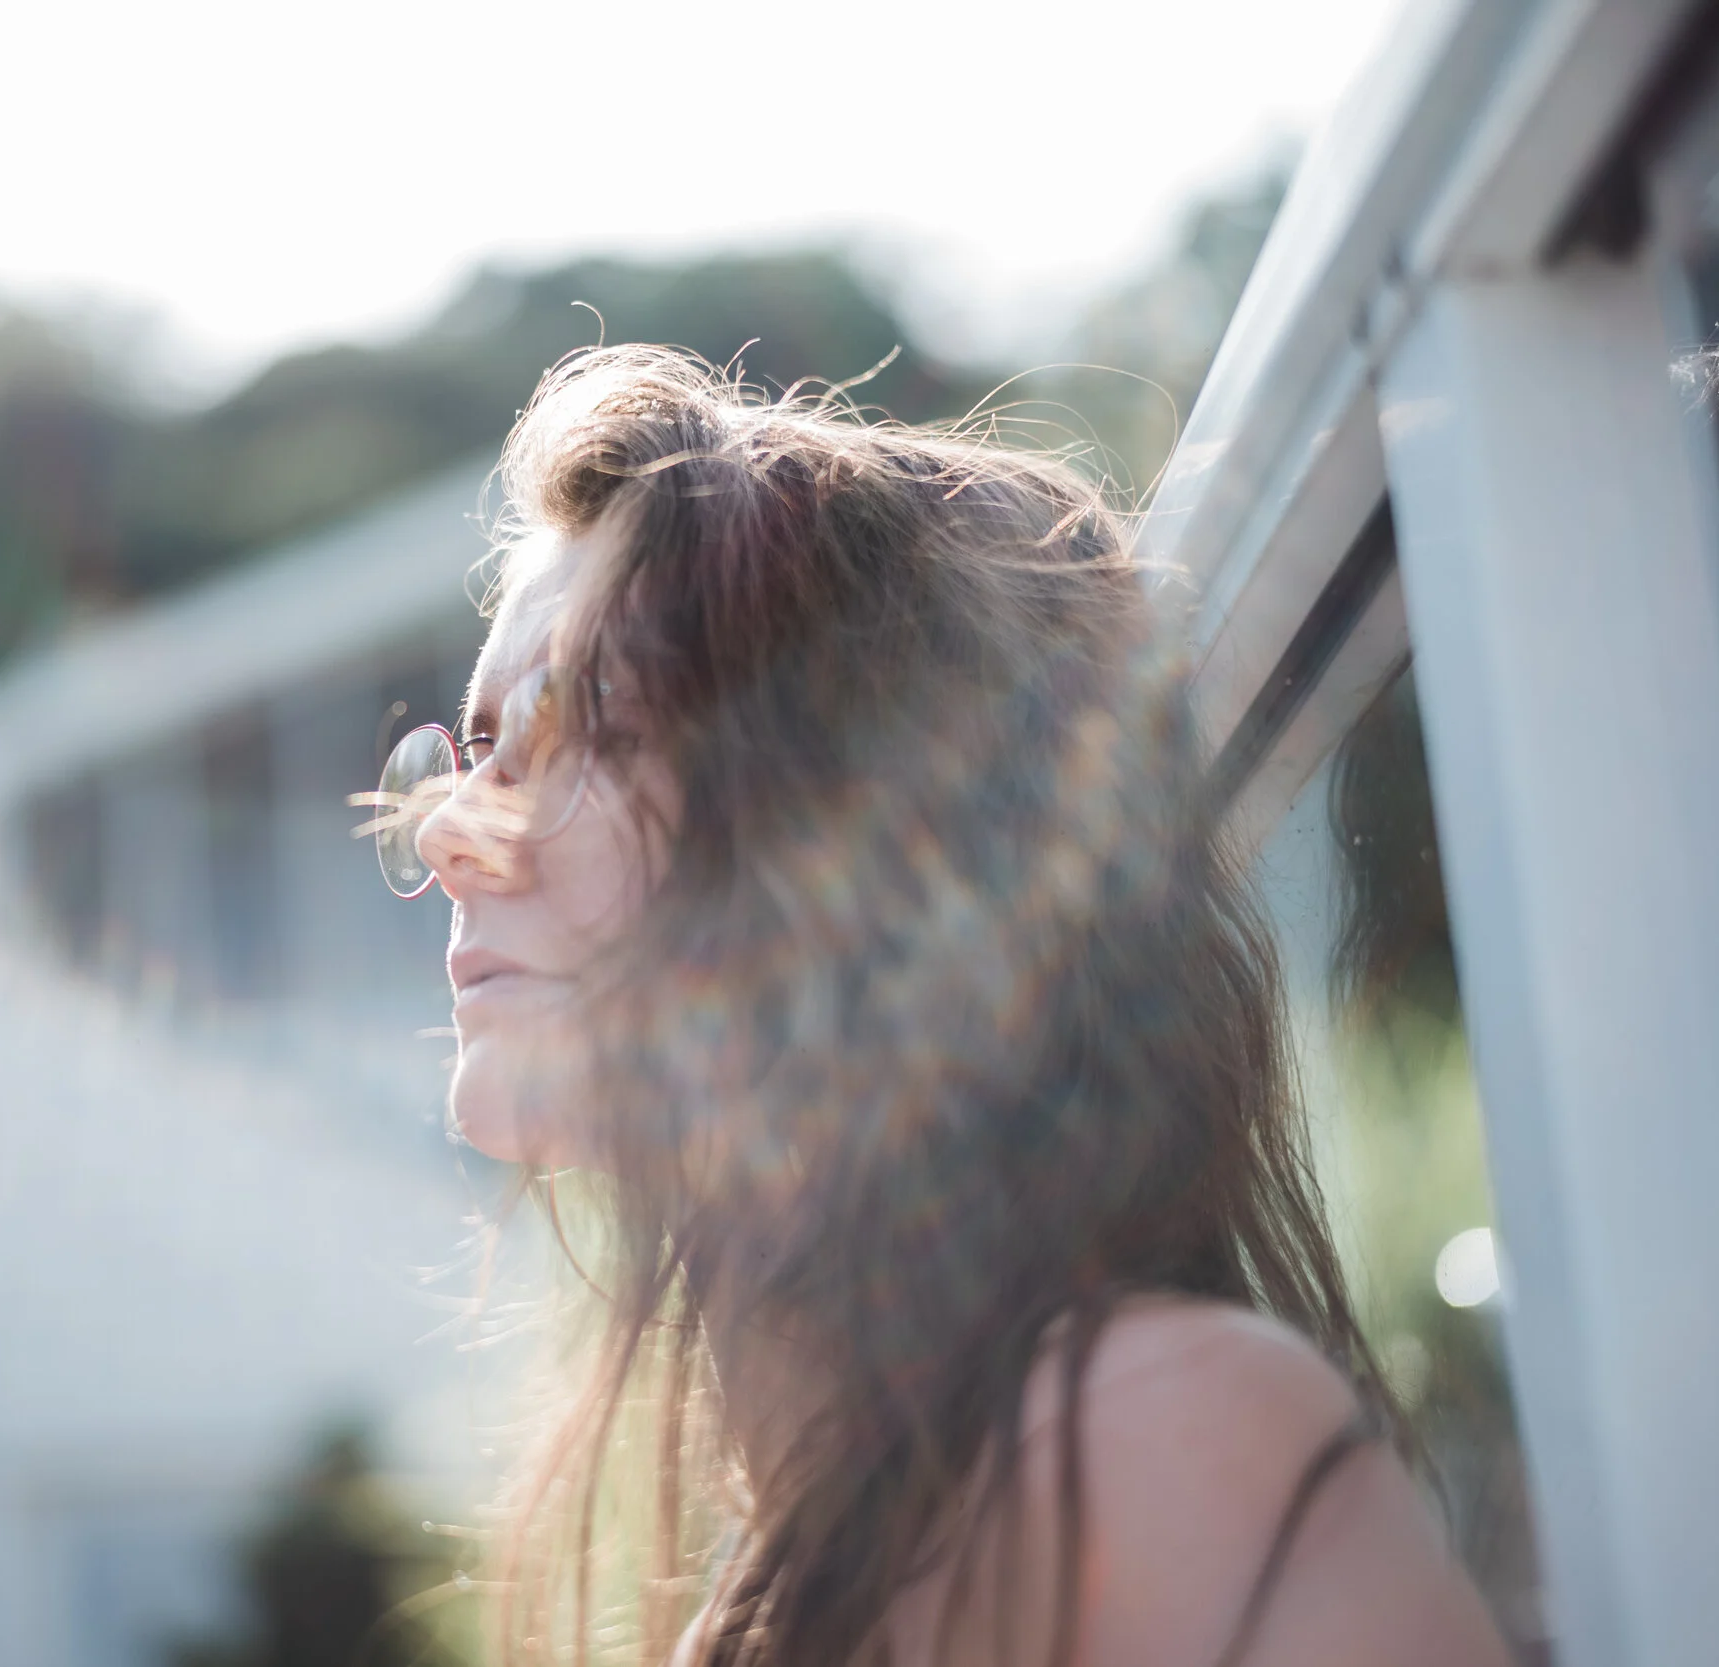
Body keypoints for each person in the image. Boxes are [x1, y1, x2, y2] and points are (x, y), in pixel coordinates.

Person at [357, 347, 1512, 1667]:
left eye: (587, 731)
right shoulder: (769, 1598)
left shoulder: (1149, 1435)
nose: (450, 827)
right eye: (481, 744)